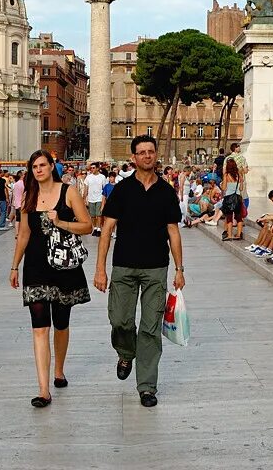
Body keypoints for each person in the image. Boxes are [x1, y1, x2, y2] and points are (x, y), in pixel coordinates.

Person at [94, 135, 185, 408]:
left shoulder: (166, 192)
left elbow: (173, 232)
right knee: (120, 320)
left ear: (155, 155)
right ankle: (125, 352)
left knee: (150, 328)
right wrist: (100, 269)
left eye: (150, 152)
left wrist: (179, 269)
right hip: (124, 265)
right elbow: (107, 230)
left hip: (156, 267)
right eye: (141, 152)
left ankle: (146, 386)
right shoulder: (121, 191)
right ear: (133, 158)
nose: (146, 156)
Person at [10, 150, 93, 408]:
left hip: (63, 266)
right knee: (39, 326)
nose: (38, 170)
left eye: (42, 165)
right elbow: (24, 233)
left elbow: (87, 225)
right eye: (34, 166)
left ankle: (59, 369)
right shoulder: (27, 197)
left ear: (51, 166)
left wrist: (62, 223)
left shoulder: (68, 192)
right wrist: (14, 266)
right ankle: (43, 389)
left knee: (61, 321)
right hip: (35, 267)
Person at [220, 157, 245, 241]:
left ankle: (230, 235)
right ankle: (238, 234)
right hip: (237, 198)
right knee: (239, 217)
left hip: (229, 198)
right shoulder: (239, 175)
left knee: (229, 217)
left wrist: (222, 184)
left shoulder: (226, 175)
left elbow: (223, 188)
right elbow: (241, 188)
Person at [84, 163, 107, 237]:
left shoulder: (102, 177)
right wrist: (84, 198)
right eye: (91, 168)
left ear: (97, 168)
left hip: (99, 197)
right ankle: (95, 228)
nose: (92, 169)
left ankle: (99, 229)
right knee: (92, 215)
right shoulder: (88, 177)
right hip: (91, 198)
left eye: (93, 168)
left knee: (99, 214)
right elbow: (86, 188)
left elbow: (104, 188)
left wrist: (105, 199)